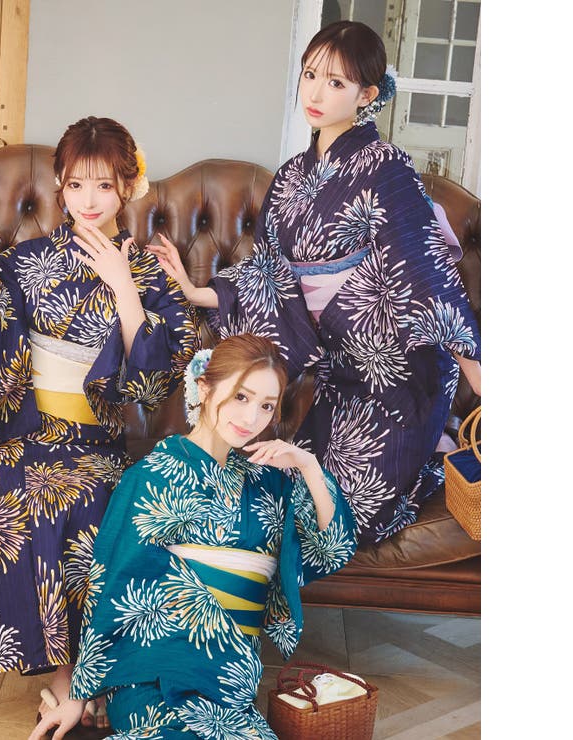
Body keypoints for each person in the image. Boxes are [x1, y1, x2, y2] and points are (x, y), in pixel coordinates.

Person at [148, 21, 481, 546]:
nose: (316, 93)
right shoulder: (289, 177)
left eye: (336, 83)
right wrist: (195, 291)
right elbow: (268, 272)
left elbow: (420, 268)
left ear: (367, 95)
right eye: (310, 75)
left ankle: (427, 448)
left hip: (396, 376)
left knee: (343, 516)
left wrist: (477, 372)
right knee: (290, 500)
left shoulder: (386, 166)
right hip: (340, 373)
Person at [0, 116, 201, 731]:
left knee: (95, 500)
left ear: (128, 186)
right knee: (38, 501)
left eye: (104, 185)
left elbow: (153, 387)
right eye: (76, 185)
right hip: (20, 435)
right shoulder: (26, 260)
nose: (89, 200)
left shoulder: (150, 272)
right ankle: (70, 677)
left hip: (95, 440)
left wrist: (125, 290)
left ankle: (89, 676)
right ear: (60, 185)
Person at [28, 333, 358, 739]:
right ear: (205, 388)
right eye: (241, 396)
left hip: (230, 678)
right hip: (155, 668)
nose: (252, 417)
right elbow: (110, 588)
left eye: (266, 406)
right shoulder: (150, 476)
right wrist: (80, 694)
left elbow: (331, 550)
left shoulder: (272, 483)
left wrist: (308, 466)